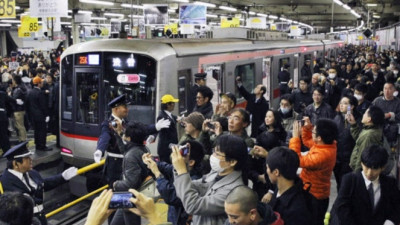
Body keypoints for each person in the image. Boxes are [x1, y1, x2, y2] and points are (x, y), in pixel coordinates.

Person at [94, 94, 170, 188]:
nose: (127, 109)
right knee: (116, 191)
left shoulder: (126, 122)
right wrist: (100, 150)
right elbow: (104, 136)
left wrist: (156, 127)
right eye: (124, 107)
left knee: (130, 188)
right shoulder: (107, 124)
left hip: (130, 163)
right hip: (115, 165)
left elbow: (141, 129)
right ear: (116, 109)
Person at [172, 134, 248, 225]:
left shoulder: (233, 191)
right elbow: (188, 187)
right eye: (213, 151)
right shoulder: (216, 173)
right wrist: (183, 165)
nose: (213, 156)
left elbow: (193, 205)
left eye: (217, 154)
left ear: (232, 162)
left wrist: (182, 171)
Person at [0, 141, 77, 225]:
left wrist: (62, 177)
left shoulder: (31, 173)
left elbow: (43, 184)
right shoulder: (5, 183)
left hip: (40, 219)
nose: (31, 160)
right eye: (26, 158)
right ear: (16, 164)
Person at [332, 145, 400, 225]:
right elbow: (341, 208)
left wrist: (390, 222)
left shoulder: (390, 183)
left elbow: (396, 206)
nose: (369, 173)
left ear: (383, 168)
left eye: (375, 168)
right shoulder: (350, 180)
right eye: (366, 167)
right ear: (361, 163)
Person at [142, 140, 204, 225]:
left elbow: (172, 196)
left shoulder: (196, 180)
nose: (175, 156)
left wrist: (157, 174)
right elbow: (165, 167)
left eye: (180, 153)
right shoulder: (180, 169)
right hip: (174, 217)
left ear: (191, 162)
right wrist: (151, 161)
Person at [289, 118, 338, 225]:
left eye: (313, 131)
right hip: (312, 190)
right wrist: (307, 128)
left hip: (315, 196)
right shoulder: (327, 144)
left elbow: (296, 160)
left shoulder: (322, 155)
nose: (312, 132)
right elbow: (307, 141)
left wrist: (295, 138)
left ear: (319, 138)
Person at [110, 121, 152, 225]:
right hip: (130, 197)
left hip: (131, 198)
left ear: (129, 138)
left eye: (125, 134)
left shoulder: (131, 156)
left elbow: (131, 183)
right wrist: (118, 134)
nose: (124, 134)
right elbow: (126, 150)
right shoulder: (142, 148)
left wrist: (116, 184)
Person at [266, 147, 313, 225]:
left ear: (276, 172)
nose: (266, 171)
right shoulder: (280, 187)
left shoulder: (297, 210)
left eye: (267, 167)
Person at [333, 95, 360, 191]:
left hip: (349, 158)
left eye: (345, 103)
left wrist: (353, 124)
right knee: (339, 184)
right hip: (337, 158)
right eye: (341, 103)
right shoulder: (337, 118)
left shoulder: (358, 120)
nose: (341, 105)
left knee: (347, 186)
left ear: (351, 107)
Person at [347, 105, 385, 171]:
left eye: (365, 113)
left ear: (369, 119)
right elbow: (360, 140)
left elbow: (362, 157)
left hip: (361, 171)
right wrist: (353, 124)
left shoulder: (369, 135)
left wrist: (357, 175)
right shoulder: (370, 129)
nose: (363, 115)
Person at [25, 76, 51, 151]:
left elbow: (27, 104)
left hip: (33, 115)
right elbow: (43, 105)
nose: (42, 83)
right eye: (41, 82)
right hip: (40, 115)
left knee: (36, 131)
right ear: (38, 84)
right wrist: (46, 115)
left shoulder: (30, 92)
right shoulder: (40, 93)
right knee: (42, 131)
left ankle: (37, 145)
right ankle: (42, 146)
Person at [157, 94, 179, 163]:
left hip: (170, 148)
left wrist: (180, 119)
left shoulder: (168, 114)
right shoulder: (162, 117)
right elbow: (168, 127)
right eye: (173, 103)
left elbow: (173, 117)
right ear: (168, 105)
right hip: (165, 149)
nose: (174, 105)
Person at [11, 75, 27, 143]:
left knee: (20, 126)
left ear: (15, 81)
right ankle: (22, 140)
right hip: (21, 109)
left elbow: (13, 99)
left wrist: (9, 95)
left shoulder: (17, 89)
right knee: (20, 126)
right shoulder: (22, 88)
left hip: (18, 110)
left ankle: (23, 140)